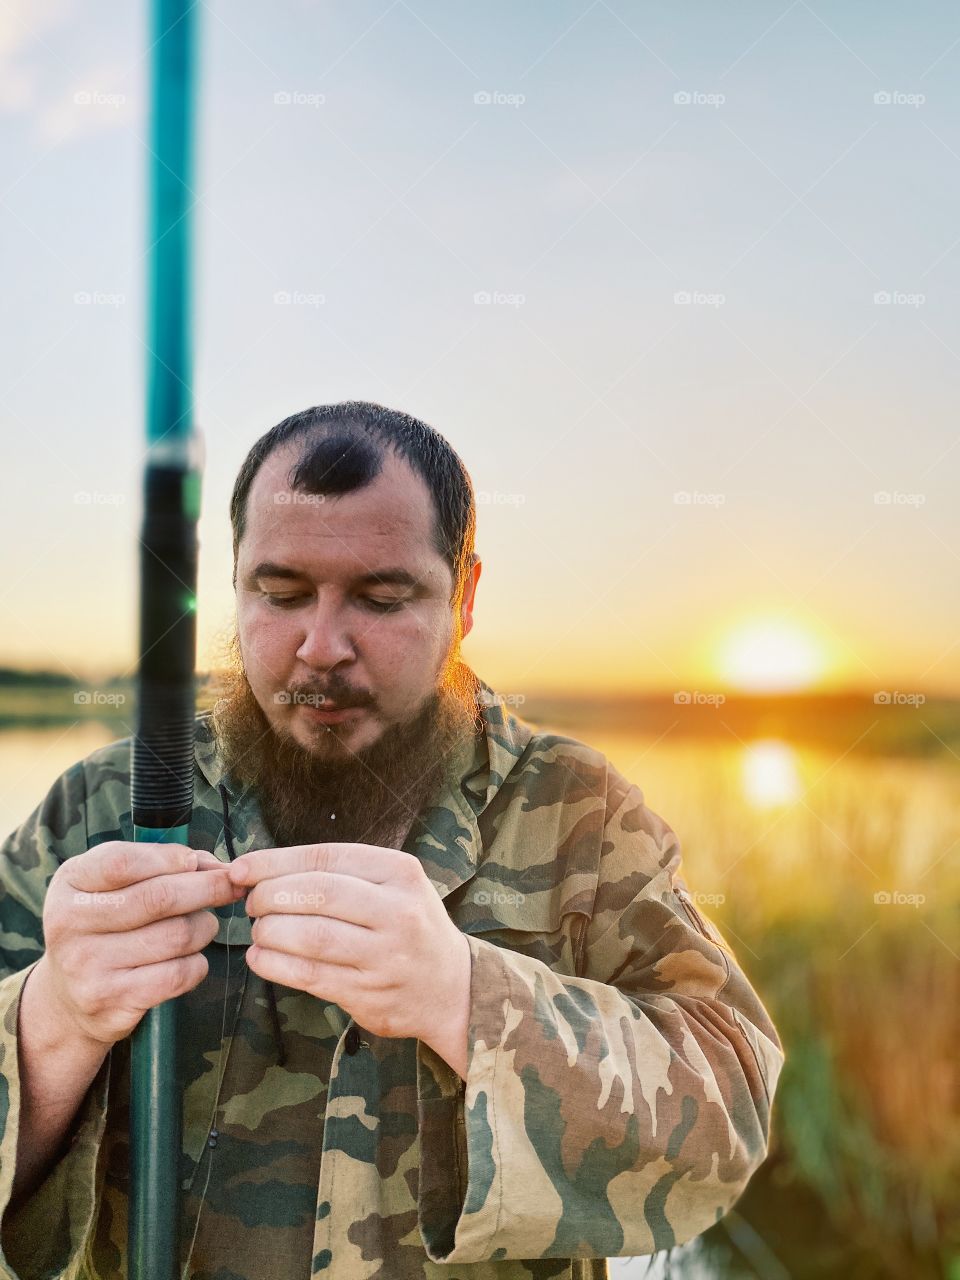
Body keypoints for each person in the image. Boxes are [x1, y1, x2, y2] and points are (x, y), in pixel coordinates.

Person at [0, 401, 784, 1280]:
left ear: (465, 595)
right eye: (281, 593)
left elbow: (728, 1117)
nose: (322, 647)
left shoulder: (580, 813)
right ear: (231, 584)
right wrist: (53, 1022)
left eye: (381, 597)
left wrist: (467, 998)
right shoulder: (105, 810)